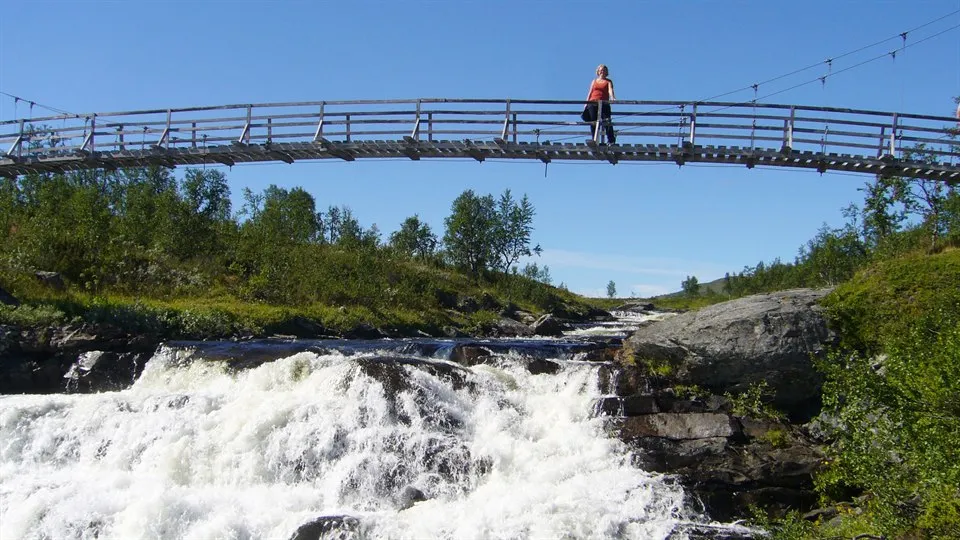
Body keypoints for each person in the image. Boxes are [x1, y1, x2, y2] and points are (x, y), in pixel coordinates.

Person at [583, 64, 617, 144]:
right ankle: (594, 140)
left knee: (607, 121)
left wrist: (612, 97)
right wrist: (586, 103)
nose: (602, 71)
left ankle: (611, 140)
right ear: (598, 71)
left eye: (604, 70)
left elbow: (610, 90)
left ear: (606, 72)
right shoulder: (594, 81)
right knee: (593, 122)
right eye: (601, 70)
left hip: (604, 103)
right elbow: (590, 92)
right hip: (592, 102)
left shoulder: (608, 81)